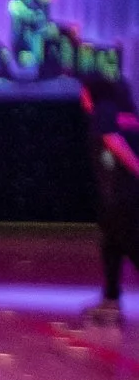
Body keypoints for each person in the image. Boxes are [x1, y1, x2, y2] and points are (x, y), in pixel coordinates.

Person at [72, 72, 139, 334]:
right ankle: (111, 301)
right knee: (111, 246)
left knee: (131, 245)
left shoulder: (104, 110)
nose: (80, 97)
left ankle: (111, 301)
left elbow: (112, 139)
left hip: (122, 196)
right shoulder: (125, 113)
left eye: (83, 91)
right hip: (119, 195)